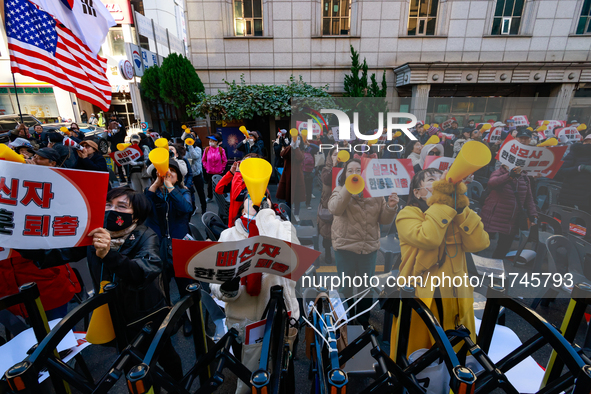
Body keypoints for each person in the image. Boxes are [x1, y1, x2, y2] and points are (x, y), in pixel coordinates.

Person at [19, 187, 183, 379]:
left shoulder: (146, 236)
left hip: (145, 314)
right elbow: (55, 254)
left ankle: (176, 386)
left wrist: (109, 255)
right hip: (111, 313)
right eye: (108, 204)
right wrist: (19, 240)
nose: (112, 210)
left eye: (121, 207)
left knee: (165, 356)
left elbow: (143, 271)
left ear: (136, 217)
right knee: (130, 361)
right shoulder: (94, 234)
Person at [390, 168, 489, 357]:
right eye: (431, 179)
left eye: (440, 179)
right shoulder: (407, 214)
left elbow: (480, 243)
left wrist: (460, 209)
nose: (438, 183)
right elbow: (429, 238)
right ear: (417, 192)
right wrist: (444, 200)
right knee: (420, 355)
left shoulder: (455, 213)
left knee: (458, 353)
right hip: (423, 295)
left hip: (457, 294)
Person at [210, 193, 300, 394]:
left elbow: (294, 260)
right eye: (252, 199)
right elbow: (214, 284)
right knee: (249, 381)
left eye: (263, 197)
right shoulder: (228, 236)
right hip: (247, 323)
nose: (258, 201)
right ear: (242, 209)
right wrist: (229, 288)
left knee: (283, 373)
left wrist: (267, 217)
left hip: (283, 318)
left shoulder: (283, 227)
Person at [328, 158, 399, 328]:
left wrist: (390, 207)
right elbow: (335, 208)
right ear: (344, 174)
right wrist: (348, 188)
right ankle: (346, 319)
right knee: (345, 287)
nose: (354, 173)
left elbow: (384, 220)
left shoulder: (376, 193)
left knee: (365, 288)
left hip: (368, 248)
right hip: (345, 247)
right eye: (350, 170)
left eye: (358, 170)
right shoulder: (339, 190)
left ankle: (362, 320)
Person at [144, 159, 194, 335]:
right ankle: (170, 318)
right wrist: (157, 184)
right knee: (162, 287)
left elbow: (186, 209)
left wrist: (169, 186)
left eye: (172, 170)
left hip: (180, 245)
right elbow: (142, 209)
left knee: (185, 285)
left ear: (178, 175)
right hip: (158, 247)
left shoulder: (184, 192)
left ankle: (189, 318)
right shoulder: (151, 193)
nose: (168, 173)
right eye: (164, 171)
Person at [481, 161, 537, 259]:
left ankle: (494, 270)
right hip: (493, 215)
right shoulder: (499, 172)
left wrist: (533, 215)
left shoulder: (524, 177)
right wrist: (509, 176)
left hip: (511, 220)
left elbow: (529, 198)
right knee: (480, 242)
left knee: (503, 248)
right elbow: (491, 183)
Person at [215, 153, 262, 227]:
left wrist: (238, 174)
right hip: (233, 222)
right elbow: (219, 189)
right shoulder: (238, 179)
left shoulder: (255, 183)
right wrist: (231, 173)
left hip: (244, 224)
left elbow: (236, 196)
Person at [557, 134, 591, 214]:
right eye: (587, 142)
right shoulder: (575, 152)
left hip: (582, 198)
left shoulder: (574, 152)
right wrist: (579, 168)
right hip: (571, 196)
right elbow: (561, 170)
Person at [276, 135, 305, 222]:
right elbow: (282, 154)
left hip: (298, 177)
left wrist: (296, 148)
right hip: (288, 176)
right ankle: (288, 214)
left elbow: (300, 158)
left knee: (297, 198)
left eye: (298, 139)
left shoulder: (300, 149)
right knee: (288, 197)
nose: (297, 141)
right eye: (295, 139)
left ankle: (296, 214)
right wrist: (291, 146)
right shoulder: (288, 148)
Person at [318, 147, 338, 264]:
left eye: (339, 154)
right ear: (330, 156)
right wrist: (334, 166)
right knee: (327, 232)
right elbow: (327, 179)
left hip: (340, 204)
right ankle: (327, 253)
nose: (337, 156)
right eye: (334, 154)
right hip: (327, 205)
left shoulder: (347, 168)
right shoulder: (326, 169)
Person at [185, 135, 207, 215]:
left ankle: (204, 208)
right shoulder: (185, 149)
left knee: (200, 192)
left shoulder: (198, 149)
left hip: (197, 174)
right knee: (190, 192)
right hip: (188, 174)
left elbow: (195, 156)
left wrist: (190, 147)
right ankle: (193, 208)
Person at [202, 133, 227, 202]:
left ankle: (221, 198)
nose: (211, 142)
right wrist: (206, 167)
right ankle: (209, 197)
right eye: (210, 140)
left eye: (213, 141)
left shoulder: (221, 150)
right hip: (209, 171)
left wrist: (222, 168)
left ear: (217, 142)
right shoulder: (207, 149)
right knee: (209, 186)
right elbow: (203, 160)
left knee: (220, 185)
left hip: (219, 171)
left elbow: (224, 160)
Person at [302, 139, 319, 210]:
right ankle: (297, 203)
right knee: (300, 188)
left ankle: (308, 203)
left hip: (309, 171)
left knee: (308, 188)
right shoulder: (300, 148)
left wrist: (310, 144)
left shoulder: (311, 149)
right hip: (302, 170)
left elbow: (318, 148)